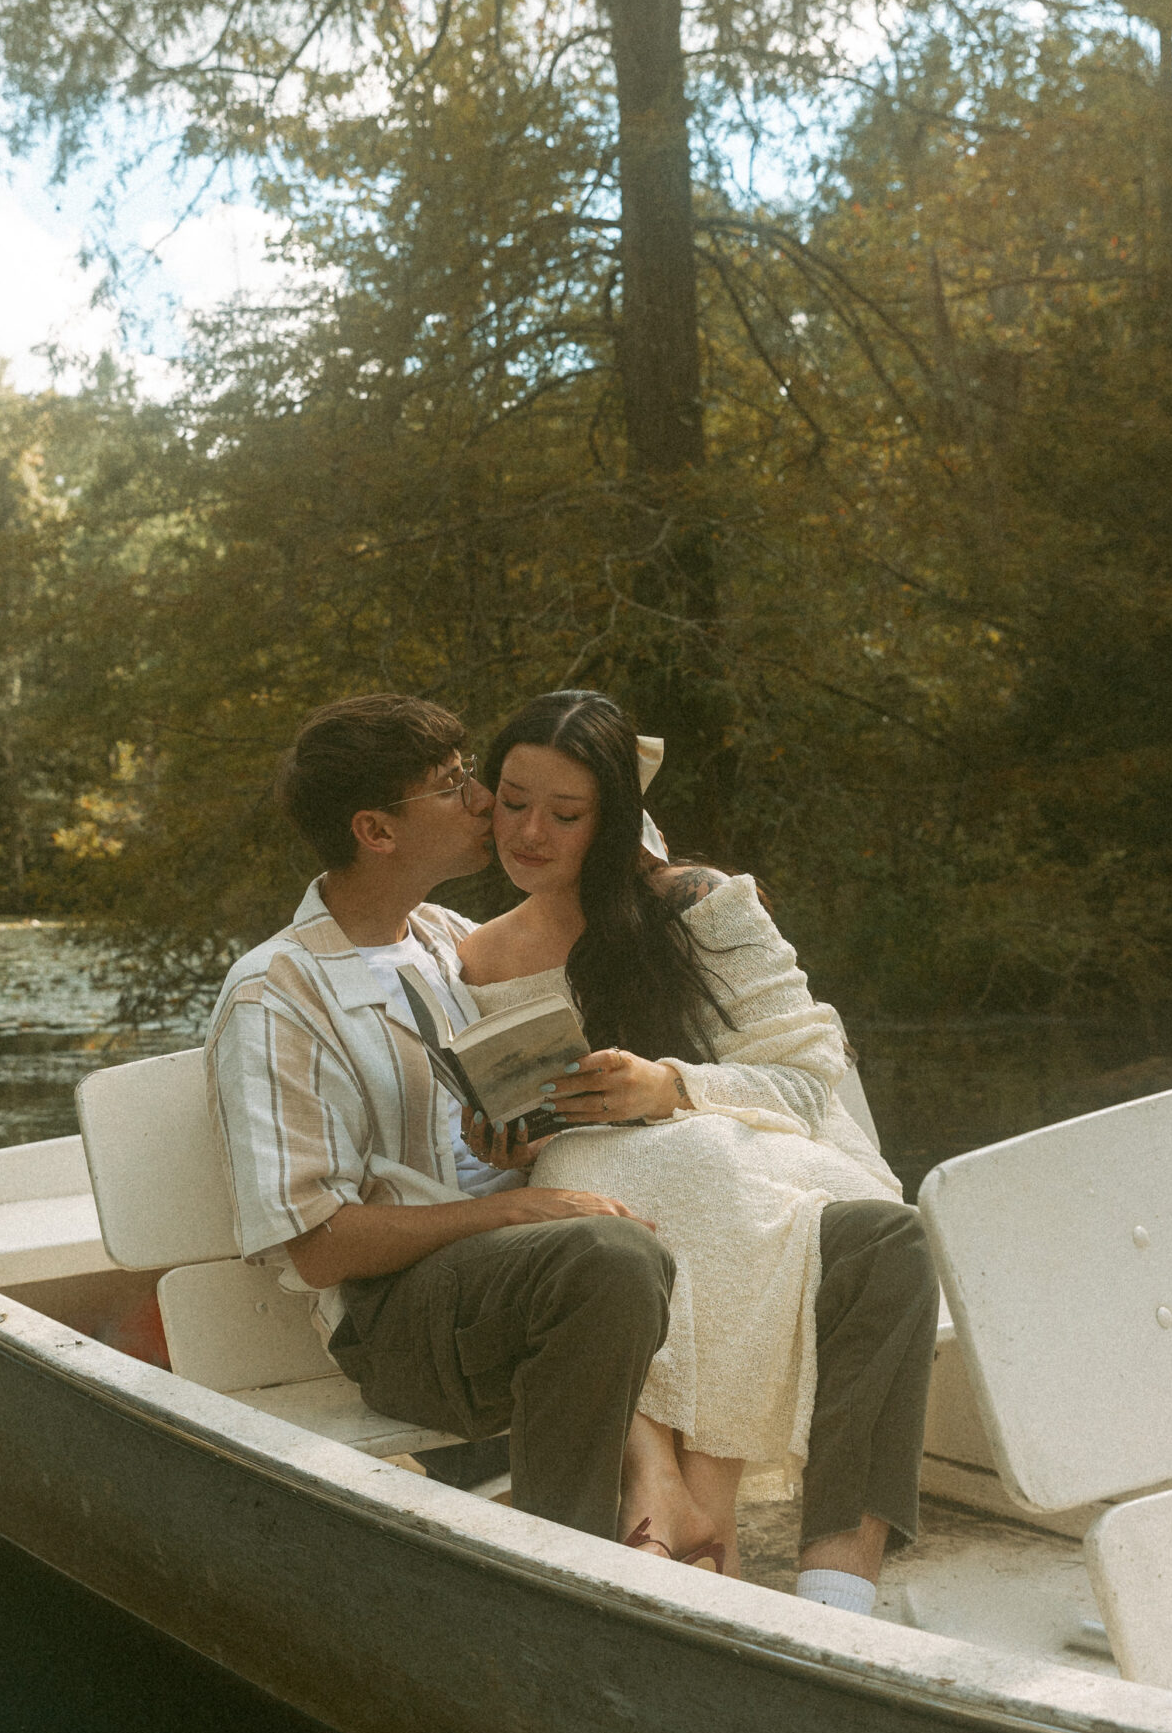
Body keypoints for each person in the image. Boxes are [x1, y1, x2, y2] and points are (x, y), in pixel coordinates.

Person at [455, 690, 939, 1611]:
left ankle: (763, 1551)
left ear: (612, 820)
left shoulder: (699, 905)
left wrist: (673, 1087)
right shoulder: (478, 958)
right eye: (512, 801)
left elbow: (809, 1077)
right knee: (601, 1175)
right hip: (603, 1178)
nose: (529, 833)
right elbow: (509, 1114)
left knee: (743, 1185)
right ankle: (683, 1515)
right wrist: (500, 1139)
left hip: (769, 1156)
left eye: (565, 814)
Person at [203, 693, 676, 1544]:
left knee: (691, 1197)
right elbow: (314, 1244)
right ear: (375, 832)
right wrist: (514, 1206)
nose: (484, 801)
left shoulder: (447, 939)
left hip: (513, 1272)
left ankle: (665, 1506)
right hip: (397, 1323)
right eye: (452, 784)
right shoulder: (275, 994)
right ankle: (568, 1563)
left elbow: (626, 849)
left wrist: (517, 1139)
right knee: (606, 1255)